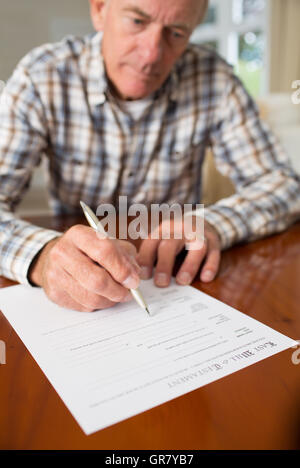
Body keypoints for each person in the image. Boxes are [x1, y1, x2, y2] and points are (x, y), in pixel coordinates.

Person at [0, 0, 299, 312]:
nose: (151, 54)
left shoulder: (214, 80)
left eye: (176, 32)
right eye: (137, 21)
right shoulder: (41, 77)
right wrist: (42, 256)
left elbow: (284, 186)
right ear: (100, 9)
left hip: (178, 274)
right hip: (80, 275)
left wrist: (214, 224)